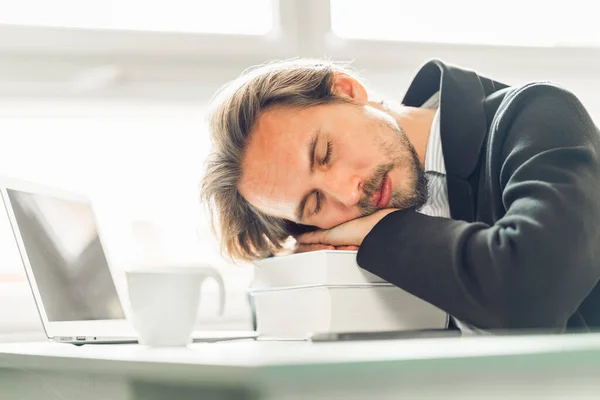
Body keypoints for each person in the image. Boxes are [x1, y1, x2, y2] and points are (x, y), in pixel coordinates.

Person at [201, 58, 600, 332]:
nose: (347, 193)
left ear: (347, 89)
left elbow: (532, 289)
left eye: (325, 154)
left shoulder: (539, 115)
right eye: (314, 203)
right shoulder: (344, 232)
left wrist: (382, 230)